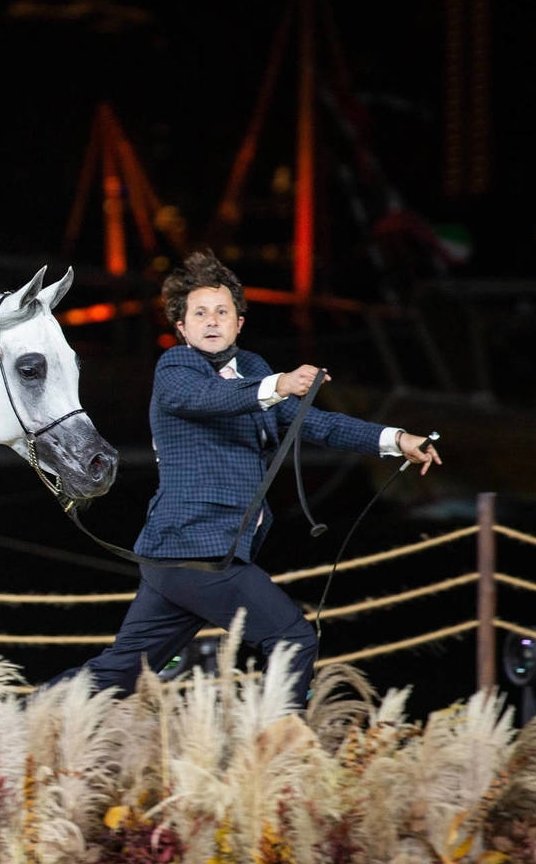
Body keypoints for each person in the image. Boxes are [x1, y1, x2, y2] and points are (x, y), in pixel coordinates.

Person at [61, 248, 442, 706]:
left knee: (121, 672)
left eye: (222, 312)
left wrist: (396, 439)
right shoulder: (176, 368)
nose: (211, 321)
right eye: (199, 313)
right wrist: (278, 385)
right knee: (292, 638)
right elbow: (206, 399)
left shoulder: (254, 369)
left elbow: (316, 424)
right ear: (180, 326)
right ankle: (279, 751)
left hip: (183, 559)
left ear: (239, 322)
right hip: (195, 548)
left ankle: (27, 718)